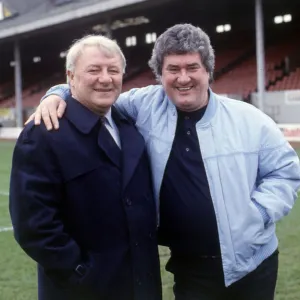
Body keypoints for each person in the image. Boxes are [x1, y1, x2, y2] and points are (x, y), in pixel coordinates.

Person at [28, 24, 300, 300]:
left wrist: (259, 213)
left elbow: (285, 172)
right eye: (173, 69)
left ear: (208, 70)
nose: (183, 78)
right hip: (189, 266)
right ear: (160, 75)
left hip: (253, 263)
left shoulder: (250, 119)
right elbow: (97, 90)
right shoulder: (141, 106)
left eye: (192, 67)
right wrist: (57, 94)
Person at [9, 35, 162, 300]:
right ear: (70, 76)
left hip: (141, 286)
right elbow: (33, 224)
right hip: (82, 290)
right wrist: (79, 272)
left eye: (113, 70)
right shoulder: (44, 133)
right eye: (94, 70)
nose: (105, 78)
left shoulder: (130, 126)